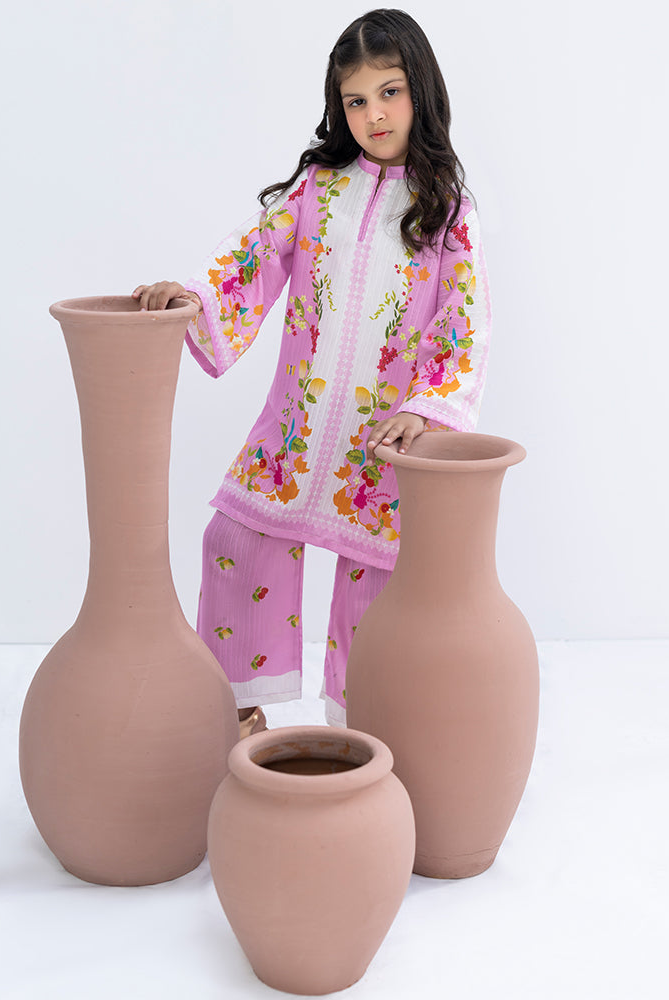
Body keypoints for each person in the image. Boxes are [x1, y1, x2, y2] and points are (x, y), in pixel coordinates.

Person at [133, 8, 491, 736]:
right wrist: (196, 298)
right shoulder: (317, 190)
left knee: (375, 595)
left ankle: (364, 742)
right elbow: (253, 259)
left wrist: (426, 409)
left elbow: (464, 326)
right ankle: (237, 718)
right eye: (356, 100)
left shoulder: (446, 212)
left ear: (420, 90)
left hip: (382, 447)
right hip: (295, 433)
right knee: (234, 542)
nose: (373, 114)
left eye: (389, 92)